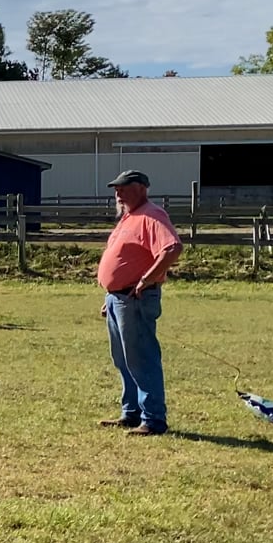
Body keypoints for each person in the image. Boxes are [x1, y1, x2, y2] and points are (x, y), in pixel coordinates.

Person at [97, 170, 183, 435]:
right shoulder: (128, 218)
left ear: (142, 188)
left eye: (124, 188)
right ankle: (131, 413)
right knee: (123, 359)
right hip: (117, 298)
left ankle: (154, 419)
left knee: (141, 358)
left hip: (135, 298)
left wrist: (146, 279)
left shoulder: (152, 215)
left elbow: (172, 248)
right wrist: (109, 295)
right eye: (116, 189)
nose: (118, 193)